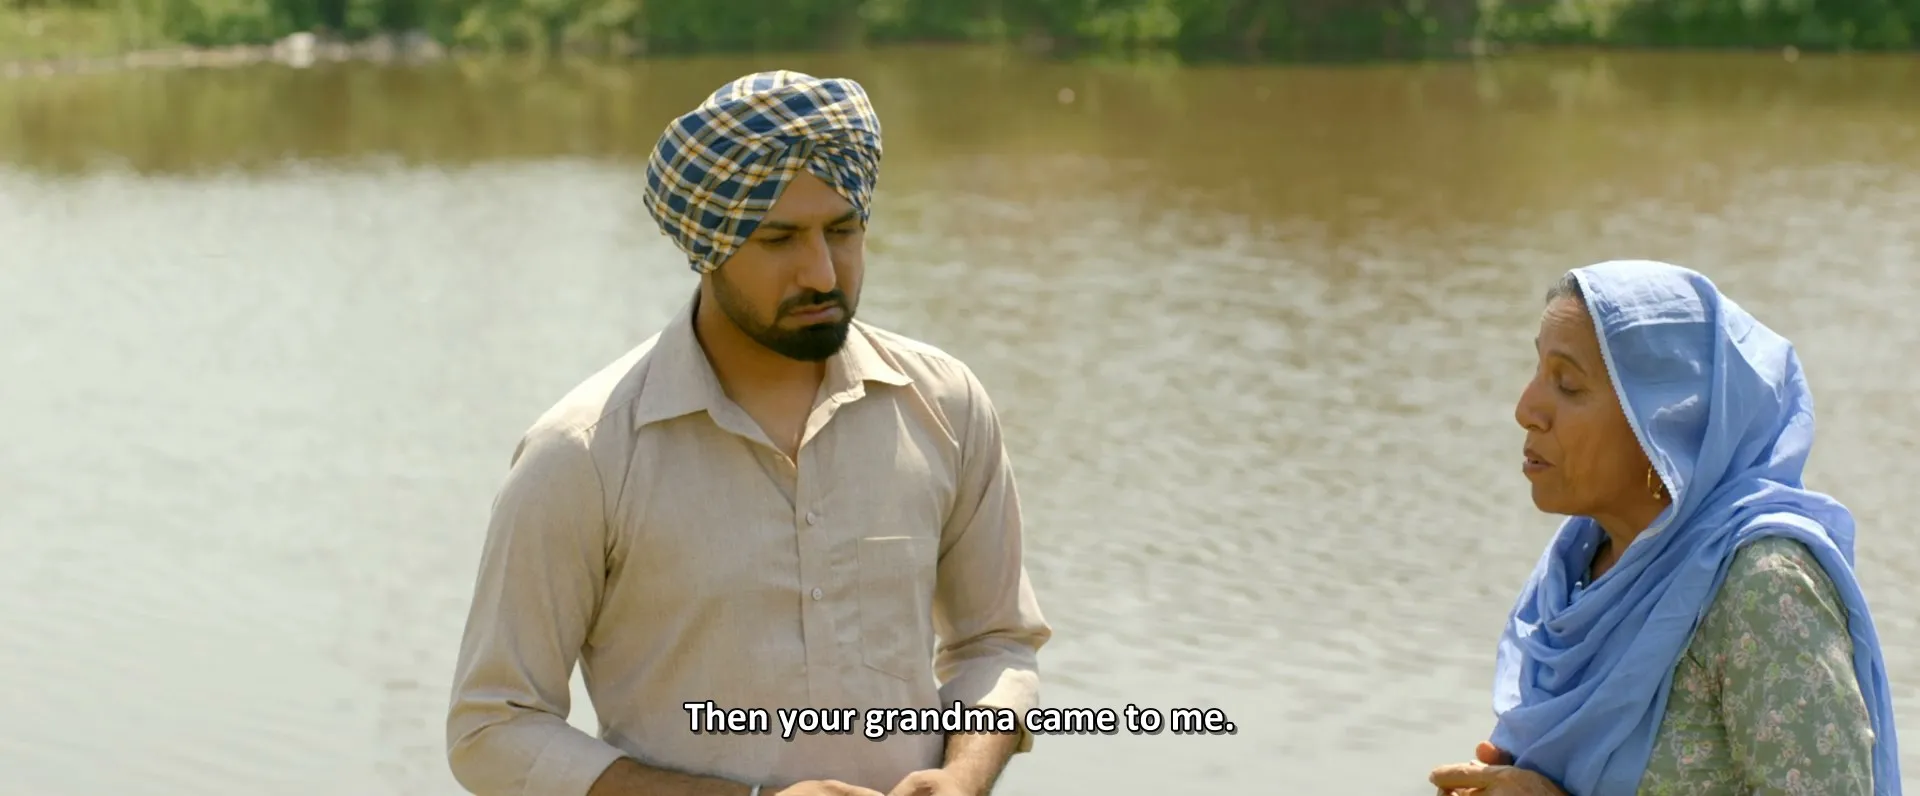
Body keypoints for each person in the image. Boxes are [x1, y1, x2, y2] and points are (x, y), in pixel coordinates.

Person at [445, 70, 1051, 796]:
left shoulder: (944, 405)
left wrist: (962, 778)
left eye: (842, 230)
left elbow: (995, 643)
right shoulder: (585, 454)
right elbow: (493, 728)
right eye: (778, 238)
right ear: (708, 246)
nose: (821, 272)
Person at [1430, 260, 1902, 796]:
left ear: (1665, 426)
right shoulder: (1575, 575)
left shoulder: (1763, 587)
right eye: (1537, 371)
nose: (1526, 409)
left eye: (1568, 384)